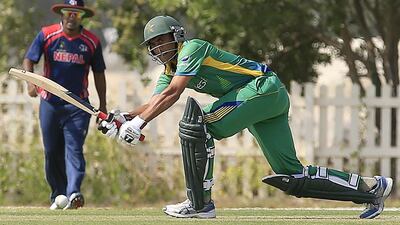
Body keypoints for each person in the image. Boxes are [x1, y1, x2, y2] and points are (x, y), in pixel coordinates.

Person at [98, 15, 392, 219]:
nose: (156, 48)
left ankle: (200, 205)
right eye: (152, 44)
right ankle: (372, 189)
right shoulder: (169, 70)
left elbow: (173, 94)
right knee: (293, 175)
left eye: (161, 40)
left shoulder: (192, 49)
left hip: (260, 89)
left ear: (176, 37)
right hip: (262, 99)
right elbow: (154, 101)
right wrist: (123, 118)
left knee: (197, 126)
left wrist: (138, 124)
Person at [23, 0, 107, 210]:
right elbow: (29, 59)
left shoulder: (91, 41)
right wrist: (31, 82)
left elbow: (99, 74)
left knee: (74, 149)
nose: (72, 17)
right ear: (62, 13)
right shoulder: (47, 34)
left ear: (82, 17)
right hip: (50, 103)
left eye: (77, 14)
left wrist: (103, 105)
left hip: (78, 105)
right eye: (69, 12)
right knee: (52, 151)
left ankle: (73, 193)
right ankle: (57, 195)